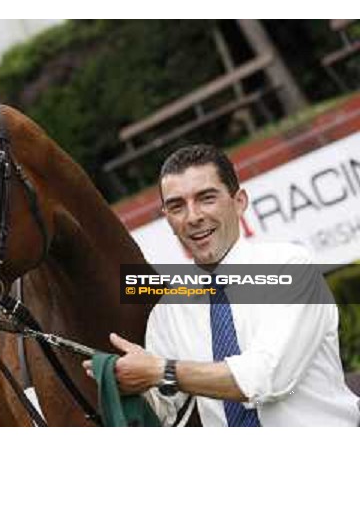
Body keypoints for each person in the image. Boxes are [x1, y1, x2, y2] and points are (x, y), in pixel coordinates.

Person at [84, 144, 359, 426]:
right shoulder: (168, 310)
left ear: (239, 201)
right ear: (168, 218)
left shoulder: (290, 266)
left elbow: (268, 378)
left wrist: (160, 371)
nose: (193, 217)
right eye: (177, 206)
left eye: (206, 198)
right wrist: (122, 384)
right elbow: (165, 411)